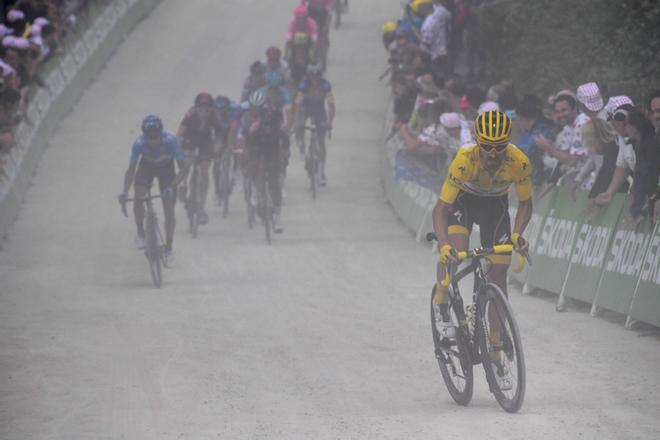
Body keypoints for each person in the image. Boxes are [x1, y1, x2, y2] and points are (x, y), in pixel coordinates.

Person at [431, 110, 532, 390]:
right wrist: (444, 245)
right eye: (486, 145)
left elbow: (525, 204)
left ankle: (496, 350)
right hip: (462, 204)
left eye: (499, 146)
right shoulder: (465, 160)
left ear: (507, 144)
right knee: (456, 252)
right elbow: (440, 211)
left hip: (495, 210)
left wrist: (517, 234)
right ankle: (441, 301)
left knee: (498, 275)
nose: (492, 153)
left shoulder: (519, 162)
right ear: (477, 141)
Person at [119, 115, 188, 265]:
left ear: (161, 134)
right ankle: (141, 233)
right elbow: (131, 170)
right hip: (147, 168)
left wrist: (172, 187)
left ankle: (169, 248)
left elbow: (184, 169)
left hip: (167, 170)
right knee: (138, 197)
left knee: (169, 208)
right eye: (149, 138)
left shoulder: (170, 142)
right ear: (144, 136)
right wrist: (124, 192)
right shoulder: (138, 143)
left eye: (155, 137)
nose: (152, 141)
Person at [176, 92, 226, 225]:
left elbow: (219, 135)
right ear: (196, 107)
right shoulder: (190, 114)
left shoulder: (214, 116)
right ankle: (182, 184)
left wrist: (217, 147)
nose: (204, 111)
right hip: (190, 138)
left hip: (205, 141)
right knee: (186, 163)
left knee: (204, 170)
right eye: (201, 108)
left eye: (207, 108)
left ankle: (201, 207)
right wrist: (179, 150)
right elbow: (180, 133)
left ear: (211, 108)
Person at [245, 90, 285, 233]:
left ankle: (278, 218)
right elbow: (248, 138)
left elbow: (284, 135)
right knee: (253, 164)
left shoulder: (275, 115)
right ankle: (255, 190)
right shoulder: (252, 120)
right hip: (257, 144)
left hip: (272, 147)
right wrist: (248, 156)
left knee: (274, 184)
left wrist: (285, 153)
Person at [292, 63, 335, 186]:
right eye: (312, 76)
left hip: (319, 110)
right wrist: (297, 121)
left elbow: (331, 106)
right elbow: (298, 104)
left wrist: (329, 122)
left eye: (317, 76)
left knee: (321, 142)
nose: (314, 79)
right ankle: (300, 143)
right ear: (308, 76)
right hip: (306, 108)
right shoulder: (303, 85)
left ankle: (321, 173)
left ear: (320, 76)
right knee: (299, 124)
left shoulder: (325, 85)